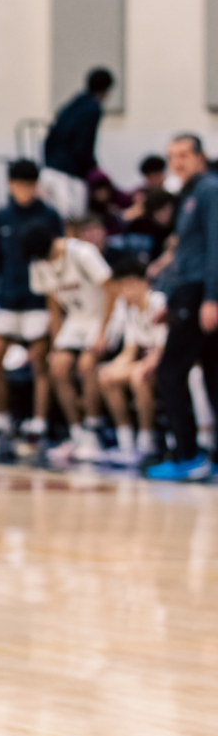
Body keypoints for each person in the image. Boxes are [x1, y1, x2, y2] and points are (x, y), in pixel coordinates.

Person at [146, 135, 218, 481]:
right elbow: (186, 252)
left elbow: (216, 247)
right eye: (172, 156)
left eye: (184, 155)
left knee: (169, 372)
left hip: (201, 295)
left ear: (200, 157)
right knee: (214, 377)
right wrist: (171, 302)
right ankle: (208, 458)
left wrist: (211, 298)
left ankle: (189, 455)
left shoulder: (208, 190)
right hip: (188, 296)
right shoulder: (188, 195)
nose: (177, 162)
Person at [0, 159, 62, 444]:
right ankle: (0, 414)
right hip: (8, 298)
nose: (24, 190)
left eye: (29, 185)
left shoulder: (49, 216)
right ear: (11, 185)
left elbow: (59, 258)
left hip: (39, 300)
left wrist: (57, 307)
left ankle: (38, 421)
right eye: (19, 184)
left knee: (39, 361)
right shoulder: (1, 217)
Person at [23, 222, 116, 461]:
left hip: (104, 313)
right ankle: (77, 432)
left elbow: (112, 290)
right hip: (76, 319)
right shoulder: (39, 262)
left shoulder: (82, 253)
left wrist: (102, 333)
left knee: (86, 365)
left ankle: (94, 428)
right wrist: (55, 341)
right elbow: (53, 303)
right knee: (57, 366)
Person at [98, 254, 165, 465]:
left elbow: (162, 350)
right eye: (122, 287)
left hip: (165, 360)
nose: (125, 291)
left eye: (129, 285)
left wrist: (142, 365)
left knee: (139, 376)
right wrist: (112, 368)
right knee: (106, 376)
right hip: (148, 359)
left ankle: (147, 440)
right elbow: (129, 350)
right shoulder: (130, 310)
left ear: (144, 284)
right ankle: (126, 441)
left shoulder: (159, 302)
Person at [40, 67, 114, 219]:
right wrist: (92, 168)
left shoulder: (71, 104)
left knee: (54, 220)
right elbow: (84, 145)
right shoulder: (93, 108)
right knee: (73, 220)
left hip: (50, 169)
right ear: (107, 90)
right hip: (69, 175)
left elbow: (50, 138)